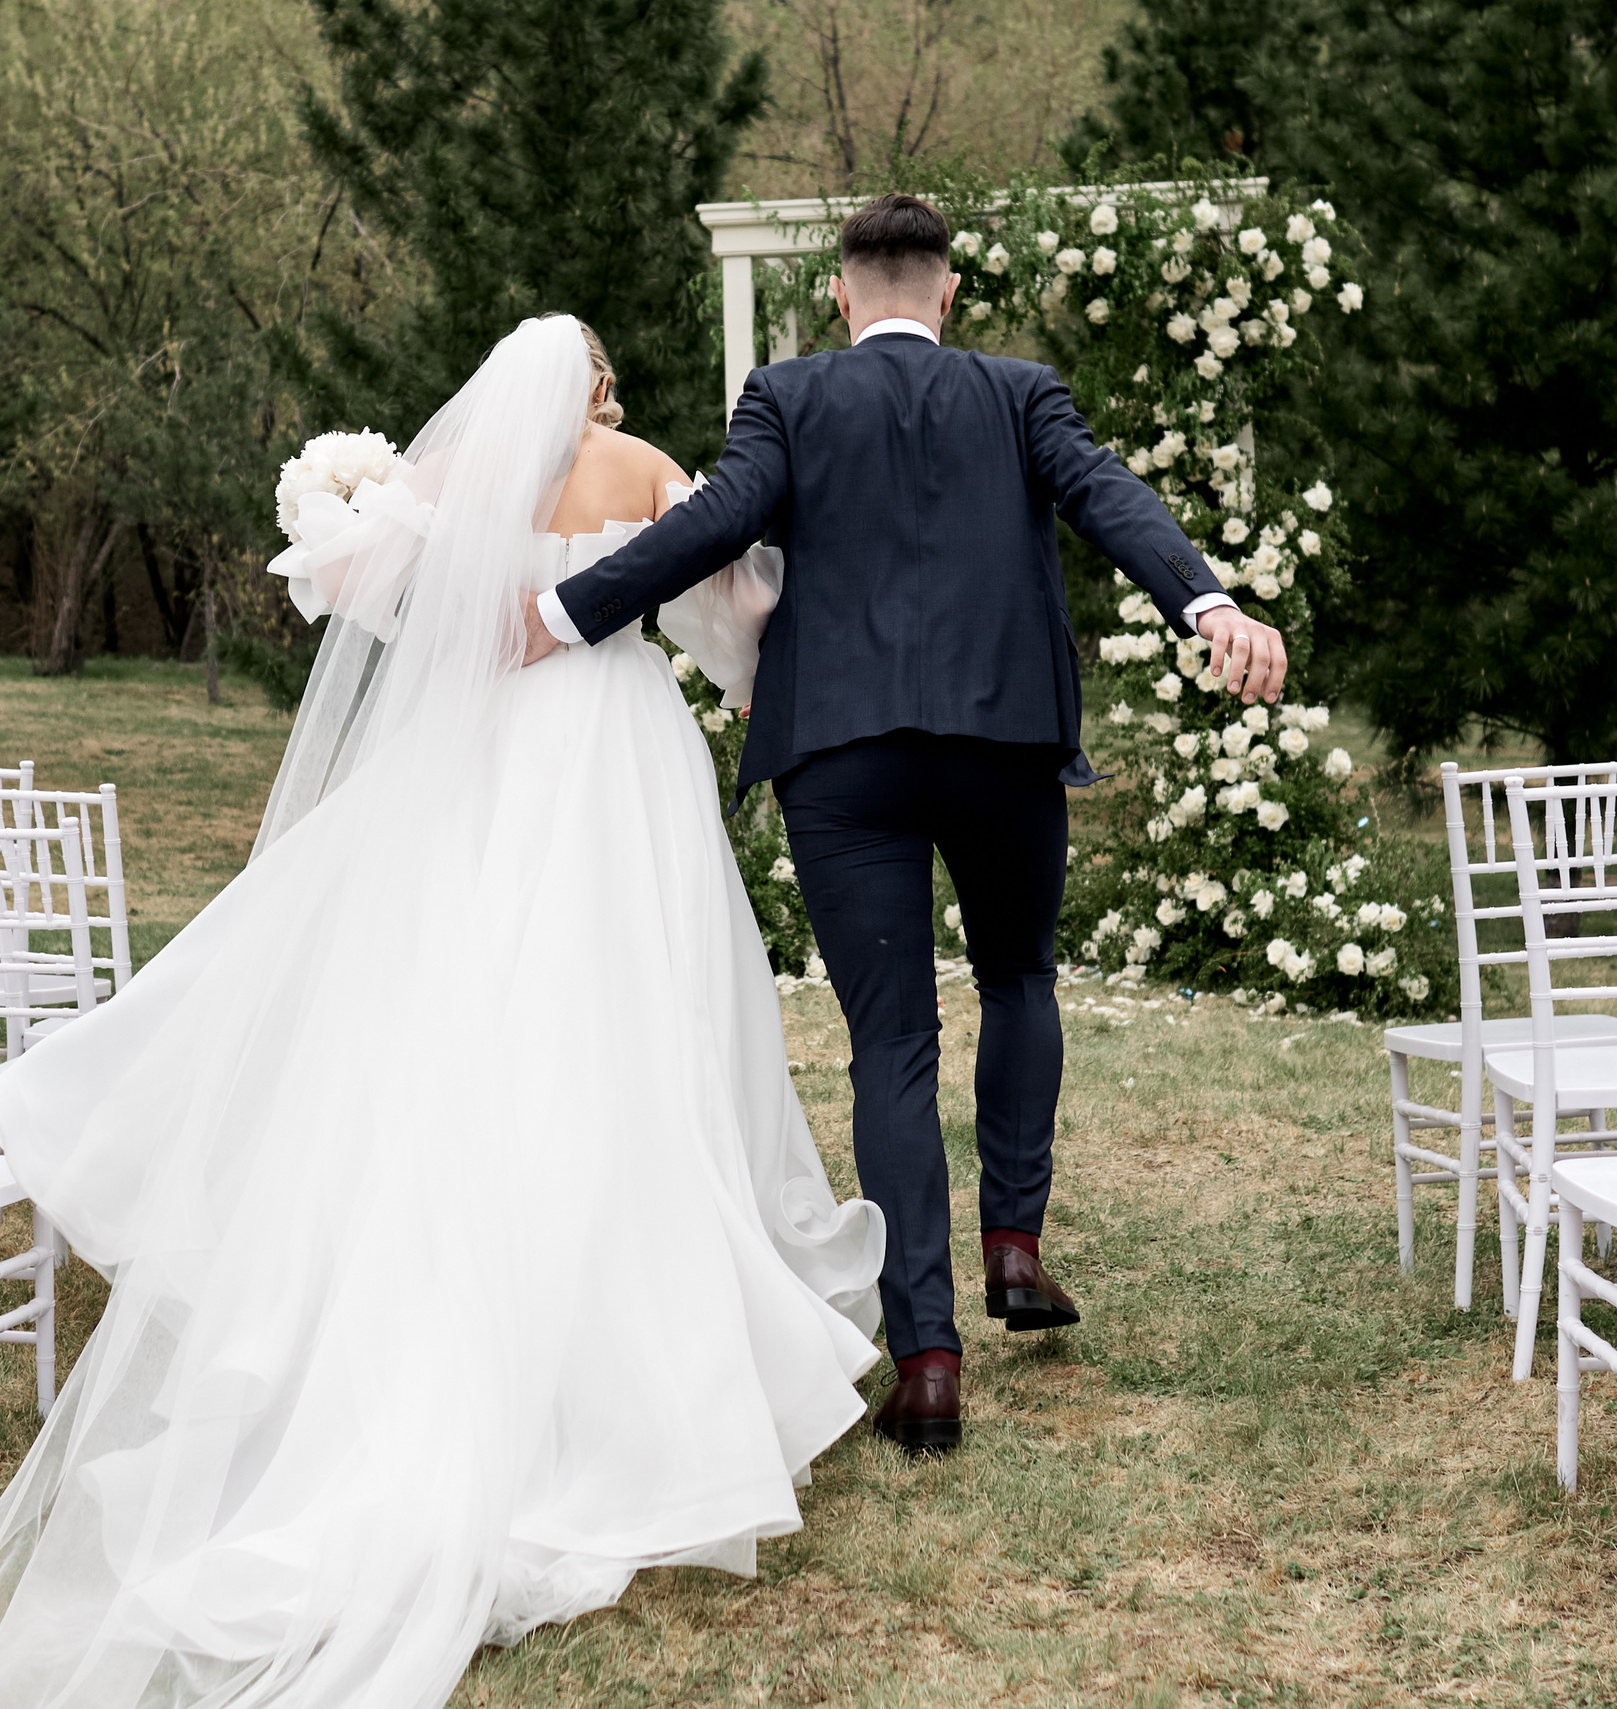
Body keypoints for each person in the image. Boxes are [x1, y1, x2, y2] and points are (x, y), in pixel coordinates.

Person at [0, 315, 885, 1706]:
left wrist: (342, 511)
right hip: (618, 751)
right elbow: (733, 612)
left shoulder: (456, 487)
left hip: (490, 754)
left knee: (466, 1001)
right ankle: (641, 1336)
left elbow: (355, 586)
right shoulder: (643, 473)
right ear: (599, 389)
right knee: (635, 1015)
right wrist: (751, 680)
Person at [531, 193, 1287, 1455]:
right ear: (946, 293)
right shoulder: (1020, 391)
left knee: (890, 1040)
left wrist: (563, 613)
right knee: (1018, 976)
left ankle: (926, 1364)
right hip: (1003, 742)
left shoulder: (785, 395)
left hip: (843, 755)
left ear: (841, 293)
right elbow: (1107, 497)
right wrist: (1205, 604)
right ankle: (1014, 1246)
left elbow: (717, 519)